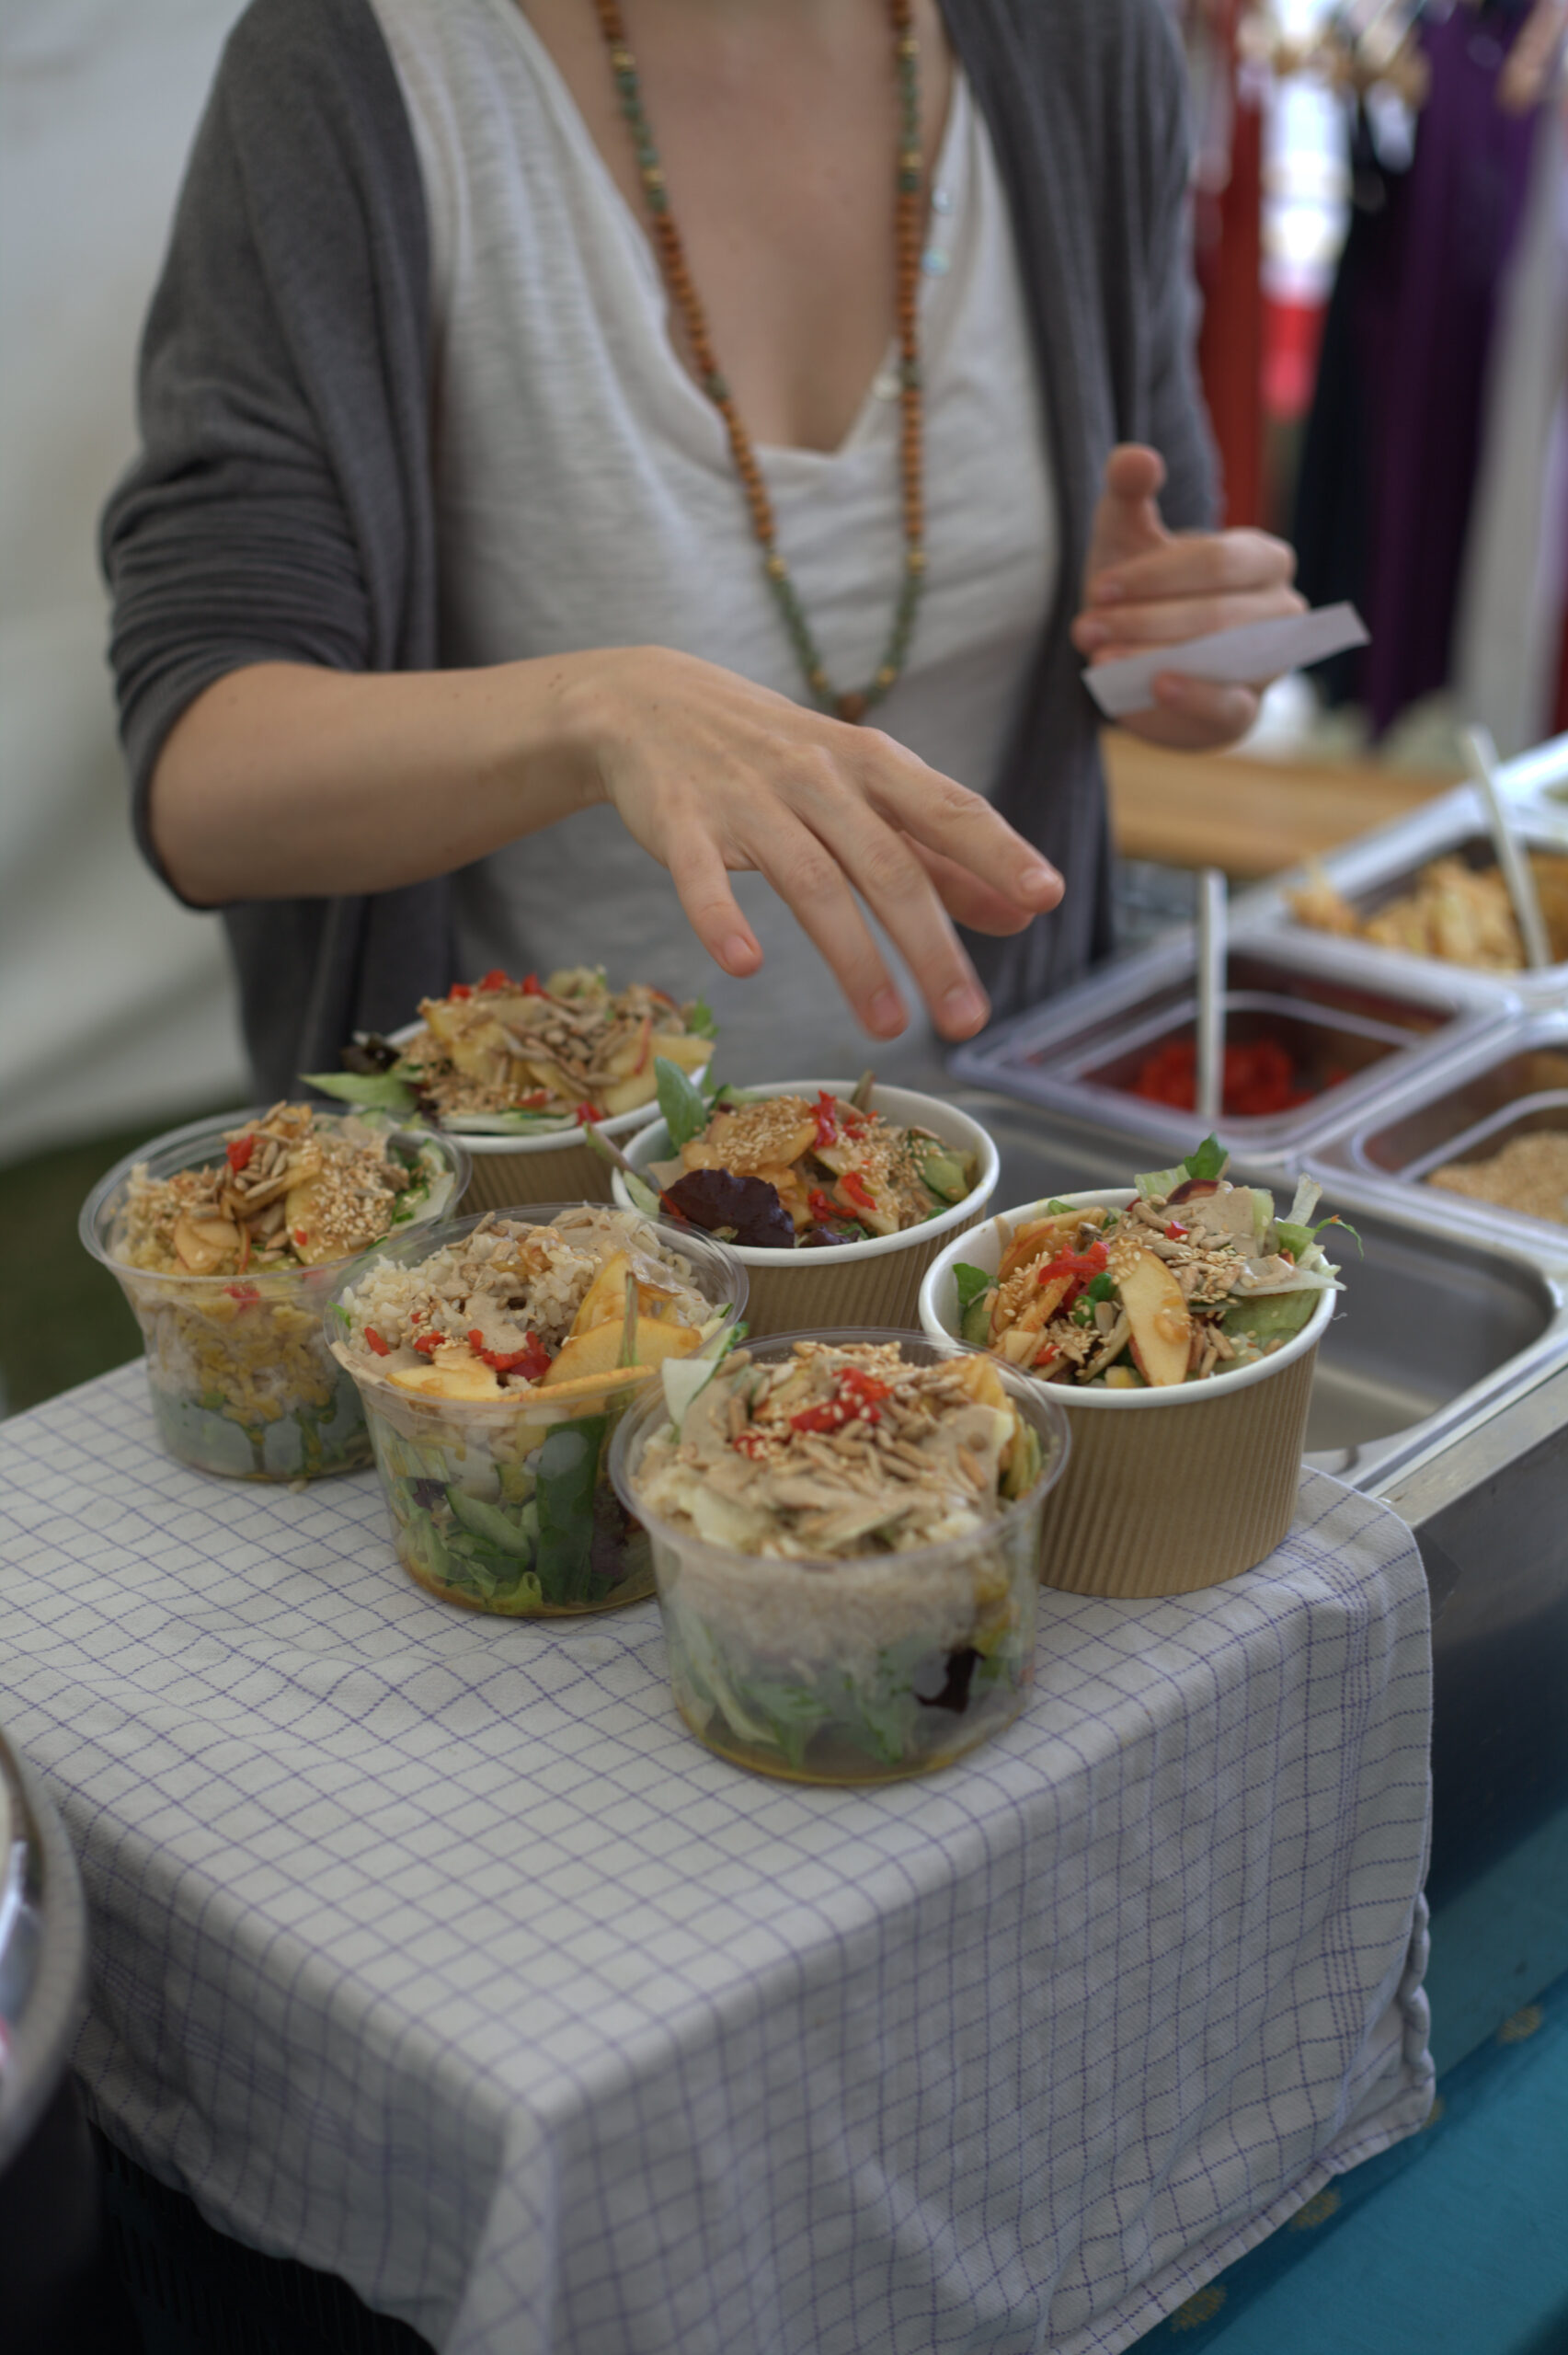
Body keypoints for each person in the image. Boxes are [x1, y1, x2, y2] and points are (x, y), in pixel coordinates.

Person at [101, 0, 1303, 1096]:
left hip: (1004, 1192)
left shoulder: (1082, 40)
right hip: (524, 1253)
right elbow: (203, 784)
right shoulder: (351, 69)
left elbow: (1159, 619)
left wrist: (1183, 657)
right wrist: (598, 711)